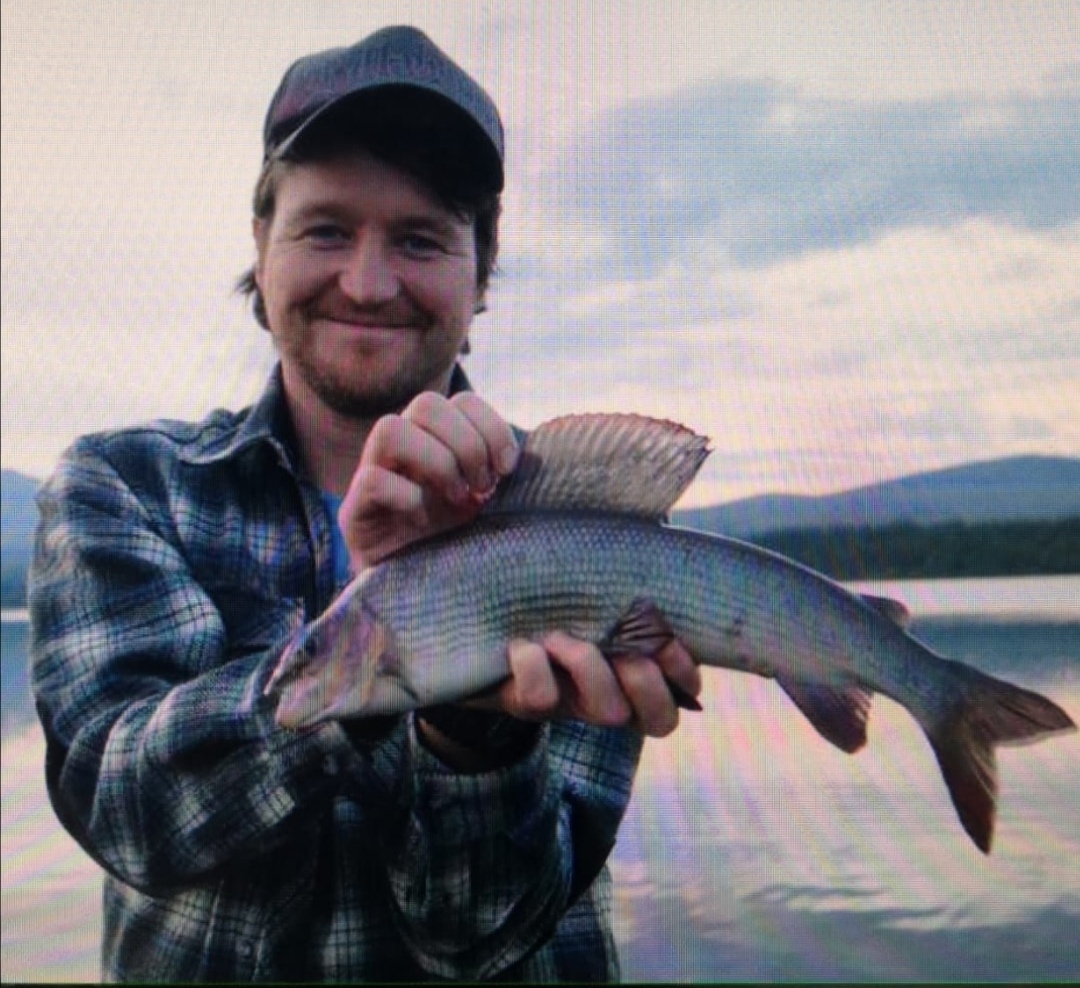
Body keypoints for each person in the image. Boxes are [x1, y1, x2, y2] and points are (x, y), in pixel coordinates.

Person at [30, 25, 700, 983]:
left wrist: (476, 735)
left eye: (421, 237)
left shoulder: (584, 537)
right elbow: (128, 812)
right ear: (261, 245)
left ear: (481, 274)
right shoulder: (122, 488)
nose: (369, 281)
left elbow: (487, 935)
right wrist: (379, 660)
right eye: (327, 228)